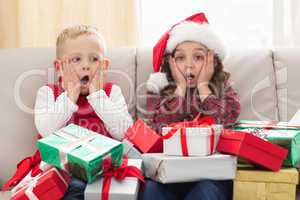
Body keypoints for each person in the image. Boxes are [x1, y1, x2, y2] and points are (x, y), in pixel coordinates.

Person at [141, 13, 241, 200]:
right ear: (169, 63)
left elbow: (225, 120)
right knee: (151, 191)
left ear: (212, 61)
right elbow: (160, 128)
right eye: (180, 58)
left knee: (205, 193)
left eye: (198, 57)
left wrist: (204, 86)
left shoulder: (223, 88)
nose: (188, 65)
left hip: (210, 175)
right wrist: (180, 89)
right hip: (168, 175)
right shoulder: (158, 89)